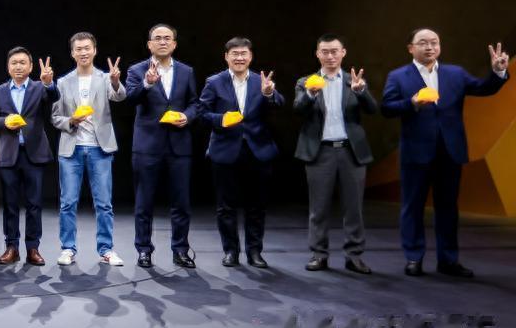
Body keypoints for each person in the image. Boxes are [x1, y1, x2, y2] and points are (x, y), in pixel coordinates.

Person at [381, 29, 508, 278]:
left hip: (450, 151)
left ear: (439, 46)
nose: (429, 47)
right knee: (412, 207)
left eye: (434, 42)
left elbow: (484, 89)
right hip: (415, 153)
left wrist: (497, 72)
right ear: (411, 48)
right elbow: (386, 108)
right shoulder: (398, 76)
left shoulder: (455, 73)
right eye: (423, 43)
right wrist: (411, 103)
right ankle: (414, 258)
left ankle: (448, 260)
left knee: (448, 208)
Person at [197, 37, 284, 268]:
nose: (239, 57)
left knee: (257, 206)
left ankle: (255, 252)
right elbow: (202, 113)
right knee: (226, 206)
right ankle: (231, 251)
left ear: (251, 56)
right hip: (225, 151)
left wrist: (269, 93)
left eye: (243, 53)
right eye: (234, 53)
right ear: (226, 56)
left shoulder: (261, 80)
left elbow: (279, 104)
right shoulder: (214, 82)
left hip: (258, 151)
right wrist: (221, 119)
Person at [293, 33, 376, 274]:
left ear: (343, 53)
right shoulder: (306, 81)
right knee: (318, 208)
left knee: (354, 208)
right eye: (325, 52)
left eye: (334, 51)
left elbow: (373, 109)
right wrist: (310, 94)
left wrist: (362, 91)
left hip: (351, 151)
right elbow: (297, 108)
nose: (330, 56)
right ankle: (319, 254)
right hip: (320, 152)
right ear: (317, 54)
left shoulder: (354, 80)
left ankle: (354, 256)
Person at [123, 24, 199, 269]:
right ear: (149, 44)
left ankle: (181, 250)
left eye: (167, 38)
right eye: (158, 38)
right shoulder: (137, 70)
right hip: (147, 145)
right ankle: (144, 250)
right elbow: (130, 98)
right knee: (144, 202)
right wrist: (147, 84)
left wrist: (187, 116)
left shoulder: (186, 71)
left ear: (174, 44)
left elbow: (195, 103)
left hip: (179, 145)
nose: (163, 42)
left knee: (181, 203)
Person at [50, 31, 127, 266]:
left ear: (94, 50)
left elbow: (119, 96)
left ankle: (106, 249)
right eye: (79, 49)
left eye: (87, 48)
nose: (83, 52)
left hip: (99, 148)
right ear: (72, 53)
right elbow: (55, 117)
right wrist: (71, 121)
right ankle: (67, 248)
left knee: (104, 203)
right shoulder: (63, 82)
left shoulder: (105, 78)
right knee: (68, 202)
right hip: (71, 149)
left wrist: (115, 81)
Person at [0, 47, 60, 266]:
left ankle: (33, 248)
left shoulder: (39, 88)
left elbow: (54, 97)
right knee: (10, 204)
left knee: (34, 204)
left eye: (22, 63)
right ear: (8, 67)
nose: (18, 66)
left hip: (33, 153)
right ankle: (12, 248)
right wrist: (4, 122)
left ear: (30, 66)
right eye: (14, 63)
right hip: (9, 154)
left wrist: (48, 83)